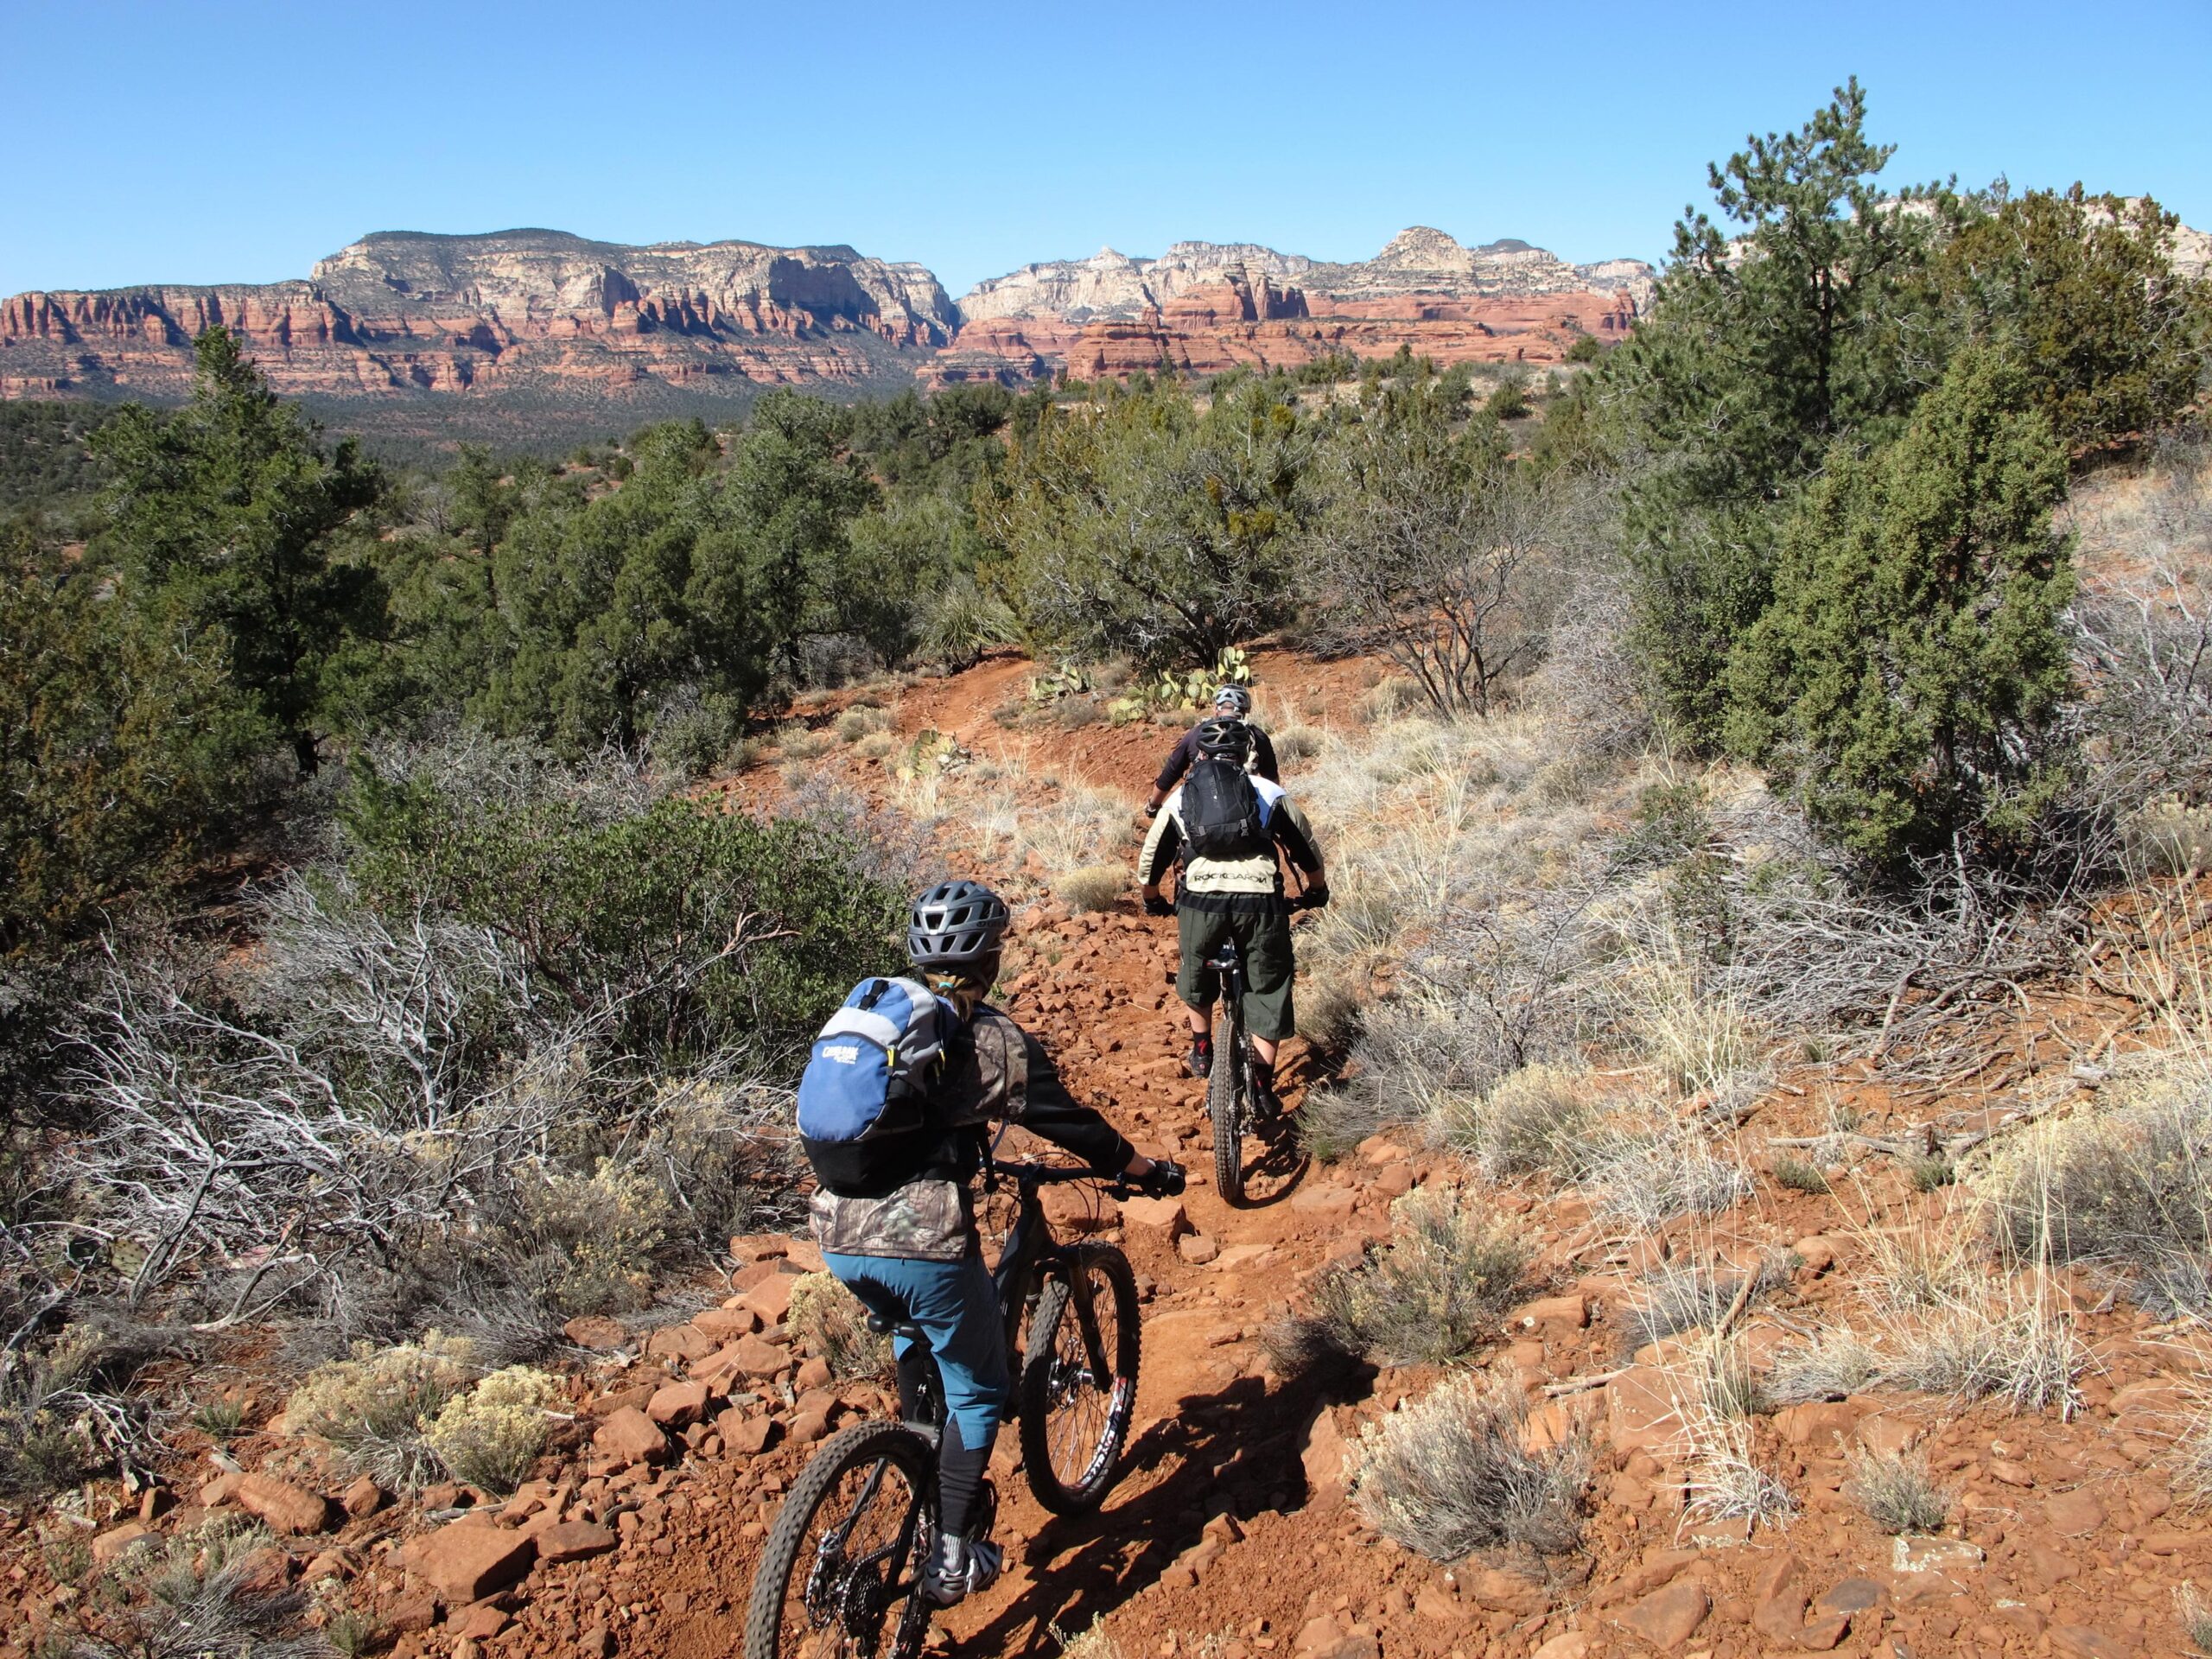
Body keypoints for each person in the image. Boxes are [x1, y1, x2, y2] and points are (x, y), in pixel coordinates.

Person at [807, 880, 1184, 1608]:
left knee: (923, 1337)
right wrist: (1142, 1171)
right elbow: (1070, 1124)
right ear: (992, 957)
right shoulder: (990, 1037)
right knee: (980, 1390)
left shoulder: (878, 1018)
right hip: (917, 1240)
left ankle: (919, 1447)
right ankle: (949, 1555)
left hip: (836, 1230)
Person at [1137, 718, 1328, 1117]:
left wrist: (1152, 899)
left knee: (1196, 969)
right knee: (1267, 986)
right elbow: (1305, 850)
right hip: (1259, 902)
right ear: (1246, 754)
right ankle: (1261, 1086)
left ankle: (1203, 1047)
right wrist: (1316, 890)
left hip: (1200, 901)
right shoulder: (1270, 793)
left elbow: (1152, 858)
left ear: (1200, 755)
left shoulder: (1182, 798)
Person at [1144, 683, 1279, 817]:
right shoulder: (1258, 736)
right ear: (1246, 711)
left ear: (1216, 709)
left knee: (1155, 838)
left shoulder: (1196, 733)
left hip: (1201, 808)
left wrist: (1153, 805)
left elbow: (1171, 772)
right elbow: (1272, 781)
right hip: (1245, 808)